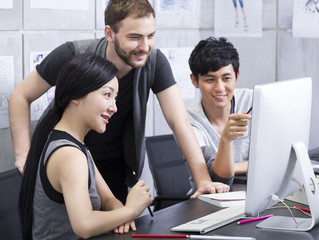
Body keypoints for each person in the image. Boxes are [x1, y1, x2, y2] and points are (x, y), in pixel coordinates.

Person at [9, 0, 228, 202]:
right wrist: (23, 155)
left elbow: (179, 122)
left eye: (150, 36)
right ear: (110, 33)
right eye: (135, 37)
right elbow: (20, 96)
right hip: (66, 162)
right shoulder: (73, 54)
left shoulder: (154, 62)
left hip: (114, 167)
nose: (145, 46)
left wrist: (203, 181)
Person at [19, 53, 152, 240]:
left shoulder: (77, 146)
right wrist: (131, 210)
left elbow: (107, 199)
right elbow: (84, 225)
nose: (114, 107)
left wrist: (121, 213)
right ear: (76, 94)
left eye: (115, 97)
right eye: (107, 95)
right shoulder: (69, 155)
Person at [187, 37, 253, 186]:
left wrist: (234, 168)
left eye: (226, 78)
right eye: (210, 80)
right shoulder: (188, 122)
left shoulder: (253, 101)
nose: (220, 88)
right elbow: (218, 179)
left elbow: (274, 159)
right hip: (210, 200)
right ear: (194, 81)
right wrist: (226, 140)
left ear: (237, 76)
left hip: (254, 190)